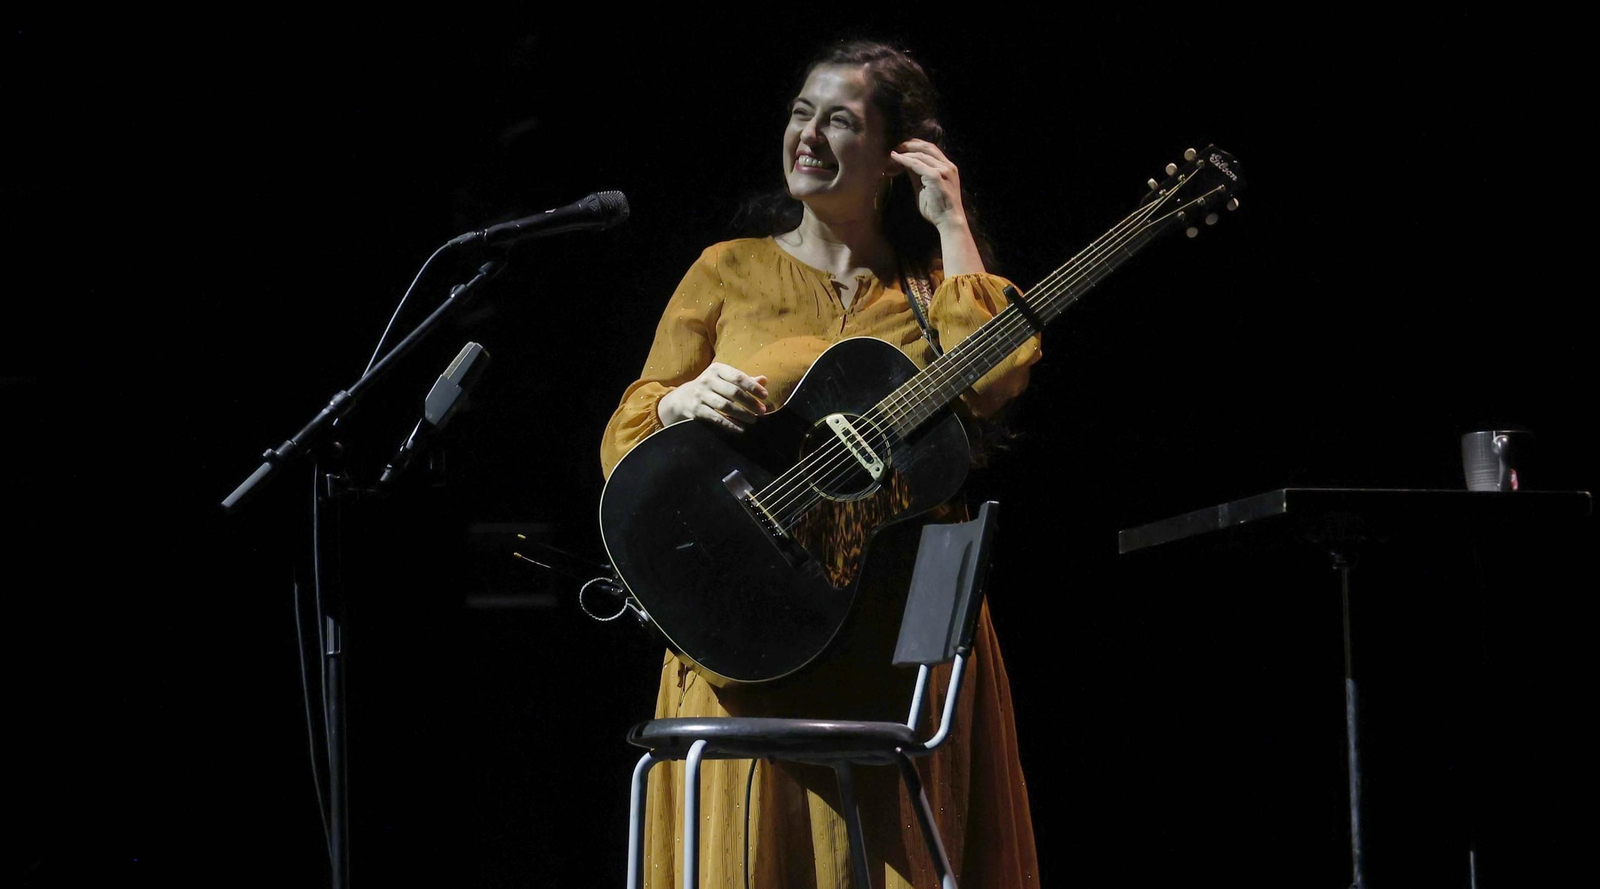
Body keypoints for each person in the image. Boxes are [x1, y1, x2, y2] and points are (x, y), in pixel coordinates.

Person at [601, 40, 1042, 888]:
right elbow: (628, 435)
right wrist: (677, 404)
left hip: (888, 634)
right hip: (750, 619)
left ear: (893, 157)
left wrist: (951, 221)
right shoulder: (726, 269)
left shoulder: (928, 281)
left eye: (839, 120)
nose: (807, 134)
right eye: (802, 112)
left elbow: (995, 377)